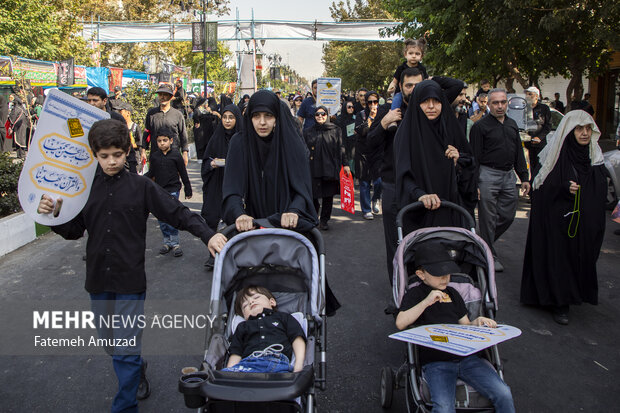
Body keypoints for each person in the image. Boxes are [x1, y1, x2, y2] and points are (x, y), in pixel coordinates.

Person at [36, 118, 226, 413]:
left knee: (124, 348)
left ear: (128, 151)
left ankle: (125, 405)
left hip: (130, 282)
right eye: (104, 156)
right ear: (94, 155)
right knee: (112, 346)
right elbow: (74, 230)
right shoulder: (82, 189)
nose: (111, 162)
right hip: (98, 281)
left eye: (117, 155)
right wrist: (53, 215)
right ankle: (137, 367)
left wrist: (209, 235)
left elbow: (177, 213)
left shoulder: (141, 186)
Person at [222, 90, 340, 315]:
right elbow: (232, 189)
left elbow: (302, 187)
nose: (263, 122)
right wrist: (239, 214)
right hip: (253, 223)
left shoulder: (291, 142)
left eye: (268, 116)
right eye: (257, 116)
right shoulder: (240, 142)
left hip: (289, 223)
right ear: (249, 118)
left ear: (277, 116)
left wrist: (295, 210)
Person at [396, 242, 515, 413]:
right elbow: (400, 323)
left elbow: (465, 325)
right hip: (436, 361)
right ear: (421, 274)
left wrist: (478, 322)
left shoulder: (454, 294)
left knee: (504, 393)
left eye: (447, 273)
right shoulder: (415, 294)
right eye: (438, 274)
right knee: (444, 407)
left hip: (467, 357)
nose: (445, 278)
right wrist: (426, 302)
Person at [520, 110, 607, 325]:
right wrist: (563, 188)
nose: (585, 134)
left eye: (588, 129)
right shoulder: (555, 155)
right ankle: (559, 302)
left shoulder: (594, 157)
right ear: (569, 131)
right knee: (560, 260)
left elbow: (599, 189)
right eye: (579, 129)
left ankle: (573, 293)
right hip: (557, 222)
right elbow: (540, 190)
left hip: (583, 222)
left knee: (581, 256)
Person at [394, 79, 478, 232]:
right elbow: (402, 173)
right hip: (420, 211)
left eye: (436, 101)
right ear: (416, 103)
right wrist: (420, 195)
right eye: (425, 101)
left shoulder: (451, 129)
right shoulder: (406, 134)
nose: (431, 106)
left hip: (452, 208)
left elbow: (469, 166)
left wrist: (459, 160)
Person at [469, 89, 530, 272]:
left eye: (503, 102)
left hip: (508, 175)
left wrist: (524, 177)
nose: (500, 106)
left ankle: (482, 243)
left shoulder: (512, 124)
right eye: (495, 103)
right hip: (487, 175)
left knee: (508, 214)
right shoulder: (480, 127)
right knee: (487, 218)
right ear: (488, 104)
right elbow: (474, 157)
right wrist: (474, 183)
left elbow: (518, 152)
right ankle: (489, 255)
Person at [223, 285, 306, 373]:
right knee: (223, 376)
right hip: (248, 364)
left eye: (256, 297)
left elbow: (297, 339)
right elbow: (236, 353)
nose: (251, 302)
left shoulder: (284, 317)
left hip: (277, 362)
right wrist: (229, 373)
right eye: (245, 305)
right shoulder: (242, 326)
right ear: (244, 316)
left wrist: (299, 364)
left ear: (272, 302)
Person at [201, 103, 243, 266]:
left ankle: (233, 254)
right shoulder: (216, 138)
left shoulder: (241, 138)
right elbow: (206, 160)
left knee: (234, 220)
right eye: (224, 117)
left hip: (235, 185)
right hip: (216, 183)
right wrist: (211, 164)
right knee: (212, 218)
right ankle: (213, 255)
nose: (227, 121)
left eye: (231, 117)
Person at [145, 128, 193, 257]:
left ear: (171, 141)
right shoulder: (154, 157)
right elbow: (151, 174)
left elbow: (183, 173)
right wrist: (139, 180)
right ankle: (167, 242)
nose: (162, 143)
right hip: (159, 191)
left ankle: (175, 243)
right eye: (159, 141)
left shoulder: (176, 155)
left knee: (172, 216)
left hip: (173, 191)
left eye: (165, 140)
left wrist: (188, 188)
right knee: (161, 218)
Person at [303, 105, 350, 230]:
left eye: (323, 114)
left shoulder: (335, 130)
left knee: (328, 196)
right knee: (313, 196)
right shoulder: (308, 131)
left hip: (329, 167)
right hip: (313, 168)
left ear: (327, 116)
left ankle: (324, 220)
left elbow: (341, 147)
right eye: (317, 114)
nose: (320, 116)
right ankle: (313, 219)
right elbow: (303, 150)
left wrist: (345, 164)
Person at [354, 90, 384, 220]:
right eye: (370, 102)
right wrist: (370, 118)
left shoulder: (383, 113)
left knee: (379, 181)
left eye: (375, 101)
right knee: (365, 183)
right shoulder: (361, 114)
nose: (373, 104)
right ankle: (366, 209)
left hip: (378, 151)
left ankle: (375, 198)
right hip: (363, 152)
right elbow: (361, 131)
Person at [143, 83, 189, 165]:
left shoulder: (177, 115)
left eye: (165, 95)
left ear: (171, 97)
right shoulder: (151, 114)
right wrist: (143, 150)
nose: (162, 97)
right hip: (155, 155)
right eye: (160, 94)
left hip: (173, 156)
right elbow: (147, 132)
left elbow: (183, 135)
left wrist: (185, 153)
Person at [388, 37, 429, 112]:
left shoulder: (422, 68)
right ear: (405, 54)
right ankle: (393, 113)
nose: (414, 56)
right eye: (411, 53)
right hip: (402, 93)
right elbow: (394, 81)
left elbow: (426, 80)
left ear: (421, 56)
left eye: (417, 54)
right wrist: (391, 87)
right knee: (397, 98)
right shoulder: (401, 68)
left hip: (418, 92)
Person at [524, 86, 551, 177]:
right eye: (526, 94)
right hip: (528, 143)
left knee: (540, 167)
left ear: (536, 96)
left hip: (540, 143)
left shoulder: (544, 108)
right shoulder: (525, 108)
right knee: (531, 166)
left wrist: (539, 137)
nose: (527, 96)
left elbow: (548, 126)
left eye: (530, 94)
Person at [119, 102, 146, 173]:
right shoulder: (119, 127)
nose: (119, 114)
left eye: (121, 111)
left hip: (134, 159)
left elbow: (140, 143)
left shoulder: (135, 127)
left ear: (128, 113)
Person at [335, 99, 357, 171]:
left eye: (352, 107)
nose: (351, 109)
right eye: (349, 107)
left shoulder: (355, 118)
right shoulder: (339, 119)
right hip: (342, 145)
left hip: (353, 147)